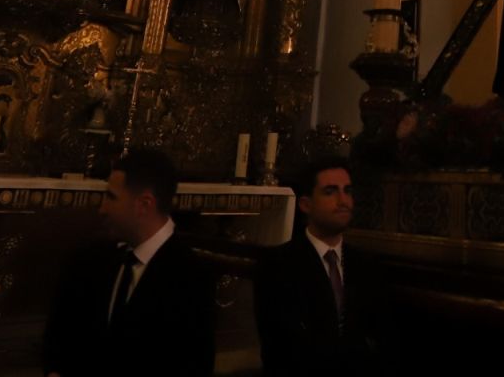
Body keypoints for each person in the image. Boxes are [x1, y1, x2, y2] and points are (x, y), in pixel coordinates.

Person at [42, 149, 215, 377]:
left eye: (112, 197)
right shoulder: (88, 259)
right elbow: (59, 338)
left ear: (144, 204)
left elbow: (191, 366)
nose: (102, 209)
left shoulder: (191, 278)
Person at [254, 156, 394, 376]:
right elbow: (281, 349)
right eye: (330, 192)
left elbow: (380, 338)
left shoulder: (367, 266)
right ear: (306, 204)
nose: (343, 201)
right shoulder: (279, 266)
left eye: (347, 191)